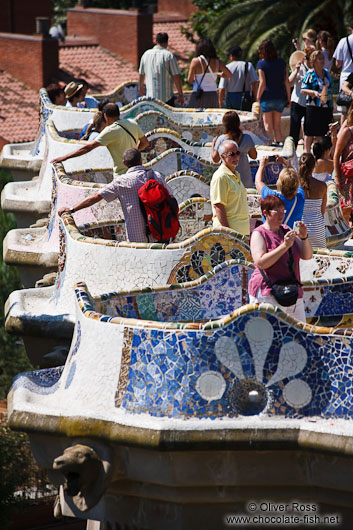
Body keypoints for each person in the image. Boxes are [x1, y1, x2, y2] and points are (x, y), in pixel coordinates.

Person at [58, 148, 175, 243]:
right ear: (140, 160)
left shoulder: (121, 182)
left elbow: (95, 197)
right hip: (161, 231)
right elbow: (172, 200)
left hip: (138, 239)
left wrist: (72, 210)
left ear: (124, 163)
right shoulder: (156, 176)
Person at [249, 195, 312, 322]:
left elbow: (307, 255)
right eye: (277, 212)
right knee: (270, 337)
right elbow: (261, 262)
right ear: (265, 213)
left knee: (300, 337)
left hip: (292, 292)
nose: (281, 216)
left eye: (283, 212)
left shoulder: (286, 230)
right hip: (267, 293)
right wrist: (284, 246)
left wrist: (304, 238)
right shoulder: (258, 234)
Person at [51, 103, 149, 176]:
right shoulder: (132, 123)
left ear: (105, 116)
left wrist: (64, 158)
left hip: (122, 175)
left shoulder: (110, 130)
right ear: (118, 114)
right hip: (137, 172)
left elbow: (88, 147)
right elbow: (145, 143)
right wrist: (132, 154)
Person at [210, 140, 250, 236]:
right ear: (222, 156)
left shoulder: (235, 175)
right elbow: (218, 207)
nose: (236, 157)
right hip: (229, 236)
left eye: (237, 153)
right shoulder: (220, 177)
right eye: (232, 154)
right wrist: (228, 234)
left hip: (242, 233)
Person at [255, 156, 305, 228]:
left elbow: (258, 182)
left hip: (273, 237)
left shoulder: (272, 197)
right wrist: (287, 163)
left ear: (279, 183)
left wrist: (262, 165)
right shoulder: (300, 197)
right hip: (292, 237)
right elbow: (297, 180)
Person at [256, 39, 290, 146]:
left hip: (267, 97)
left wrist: (257, 97)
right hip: (280, 97)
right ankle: (280, 148)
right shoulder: (282, 63)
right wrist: (288, 98)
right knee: (277, 126)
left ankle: (270, 149)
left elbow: (262, 83)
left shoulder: (261, 64)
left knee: (268, 127)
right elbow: (287, 82)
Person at [211, 111, 257, 188]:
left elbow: (215, 159)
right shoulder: (247, 138)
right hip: (244, 177)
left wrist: (213, 145)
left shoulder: (222, 139)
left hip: (227, 177)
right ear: (238, 123)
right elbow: (254, 156)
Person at [138, 32, 184, 106]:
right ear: (167, 42)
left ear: (156, 41)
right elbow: (176, 77)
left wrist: (141, 89)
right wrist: (180, 94)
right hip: (166, 99)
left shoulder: (146, 55)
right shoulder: (169, 56)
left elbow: (141, 75)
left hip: (150, 98)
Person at [301, 50, 333, 153]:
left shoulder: (326, 73)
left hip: (325, 106)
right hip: (313, 106)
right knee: (310, 131)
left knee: (322, 131)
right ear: (314, 61)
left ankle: (320, 153)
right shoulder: (310, 73)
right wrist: (314, 93)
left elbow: (330, 88)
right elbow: (303, 89)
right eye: (319, 58)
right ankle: (307, 152)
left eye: (323, 58)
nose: (322, 60)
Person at [187, 37, 231, 109]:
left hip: (199, 95)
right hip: (213, 94)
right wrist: (216, 74)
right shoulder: (217, 62)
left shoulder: (195, 61)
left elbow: (190, 80)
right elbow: (229, 74)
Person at [298, 152, 327, 248]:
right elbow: (322, 211)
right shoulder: (322, 186)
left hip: (300, 228)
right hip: (318, 227)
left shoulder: (295, 185)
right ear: (314, 166)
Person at [289, 47, 314, 147]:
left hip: (309, 102)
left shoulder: (314, 70)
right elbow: (290, 82)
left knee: (309, 129)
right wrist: (296, 70)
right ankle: (292, 151)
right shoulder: (300, 68)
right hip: (297, 101)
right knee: (294, 129)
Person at [333, 103, 353, 208]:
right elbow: (336, 155)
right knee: (346, 209)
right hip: (347, 179)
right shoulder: (348, 132)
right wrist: (336, 177)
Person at [333, 21, 353, 124]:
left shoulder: (343, 41)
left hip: (345, 77)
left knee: (344, 112)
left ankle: (343, 135)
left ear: (350, 28)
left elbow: (338, 63)